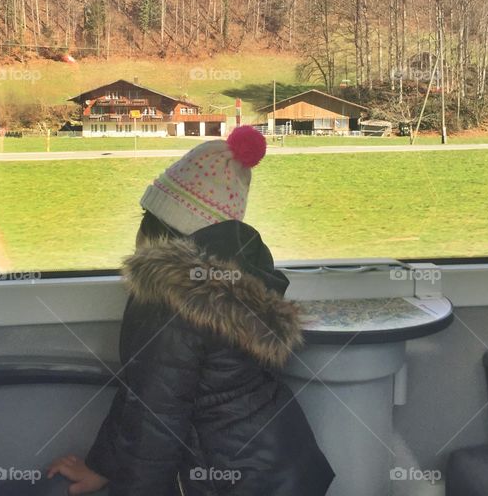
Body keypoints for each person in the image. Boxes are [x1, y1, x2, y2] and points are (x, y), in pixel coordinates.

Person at [49, 126, 334, 495]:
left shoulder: (170, 301)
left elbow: (153, 420)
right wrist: (103, 466)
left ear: (161, 228)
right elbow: (146, 392)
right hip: (281, 465)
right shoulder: (245, 277)